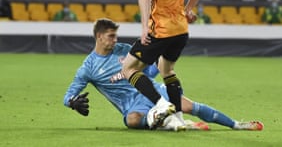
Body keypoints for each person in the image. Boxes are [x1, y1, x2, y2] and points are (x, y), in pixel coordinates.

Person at [63, 18, 264, 131]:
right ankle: (171, 121)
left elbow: (148, 71)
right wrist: (72, 102)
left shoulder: (125, 50)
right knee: (132, 121)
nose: (115, 40)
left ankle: (236, 124)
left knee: (188, 106)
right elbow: (68, 95)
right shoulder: (88, 67)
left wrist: (159, 63)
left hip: (152, 91)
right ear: (99, 37)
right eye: (111, 36)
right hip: (132, 106)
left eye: (116, 35)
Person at [119, 0, 207, 129]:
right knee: (166, 69)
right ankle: (178, 119)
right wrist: (188, 9)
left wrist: (143, 29)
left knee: (128, 69)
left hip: (160, 30)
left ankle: (161, 104)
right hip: (181, 30)